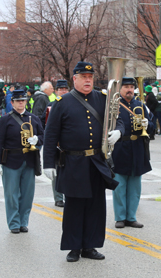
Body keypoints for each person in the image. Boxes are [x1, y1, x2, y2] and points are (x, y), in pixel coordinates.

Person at [42, 61, 124, 262]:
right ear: (75, 79)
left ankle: (90, 246)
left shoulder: (102, 99)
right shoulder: (62, 103)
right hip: (73, 162)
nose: (88, 81)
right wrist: (48, 163)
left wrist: (118, 131)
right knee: (75, 206)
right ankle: (74, 247)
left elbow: (118, 118)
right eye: (83, 77)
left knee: (96, 206)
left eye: (90, 77)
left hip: (96, 160)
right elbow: (50, 135)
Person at [0, 90, 44, 233]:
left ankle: (23, 221)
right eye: (18, 101)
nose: (21, 103)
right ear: (12, 102)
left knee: (27, 194)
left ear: (26, 102)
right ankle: (14, 223)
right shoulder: (5, 120)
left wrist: (37, 139)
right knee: (11, 194)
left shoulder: (33, 119)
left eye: (23, 100)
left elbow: (43, 135)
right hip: (11, 160)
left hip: (29, 160)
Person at [112, 77, 154, 229]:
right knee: (120, 185)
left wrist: (147, 124)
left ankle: (131, 217)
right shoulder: (114, 105)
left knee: (135, 186)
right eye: (126, 87)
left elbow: (152, 126)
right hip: (120, 147)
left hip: (137, 147)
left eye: (131, 87)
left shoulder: (140, 105)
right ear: (120, 89)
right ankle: (120, 217)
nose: (129, 89)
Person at [40, 79, 69, 207]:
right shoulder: (51, 105)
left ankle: (69, 195)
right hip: (56, 144)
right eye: (61, 89)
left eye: (65, 89)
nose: (63, 91)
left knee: (69, 172)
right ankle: (58, 198)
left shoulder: (71, 104)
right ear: (56, 91)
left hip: (69, 144)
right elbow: (41, 122)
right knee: (57, 172)